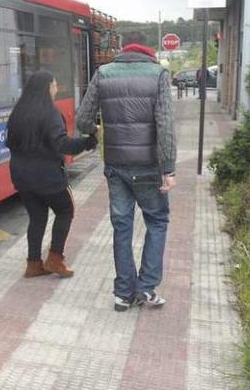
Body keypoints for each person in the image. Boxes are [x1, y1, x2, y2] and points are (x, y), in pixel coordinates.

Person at [77, 43, 177, 311]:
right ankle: (146, 287)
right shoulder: (158, 75)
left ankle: (123, 294)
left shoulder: (103, 73)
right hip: (148, 166)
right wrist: (168, 168)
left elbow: (82, 120)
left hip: (116, 165)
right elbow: (165, 125)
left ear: (123, 51)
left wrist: (96, 129)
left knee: (122, 227)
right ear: (148, 53)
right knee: (156, 221)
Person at [6, 71, 97, 278]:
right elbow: (62, 144)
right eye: (55, 85)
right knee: (66, 211)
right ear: (47, 88)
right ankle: (55, 259)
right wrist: (88, 142)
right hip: (48, 177)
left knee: (37, 217)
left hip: (22, 177)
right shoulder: (50, 113)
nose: (56, 89)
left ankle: (33, 264)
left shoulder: (18, 112)